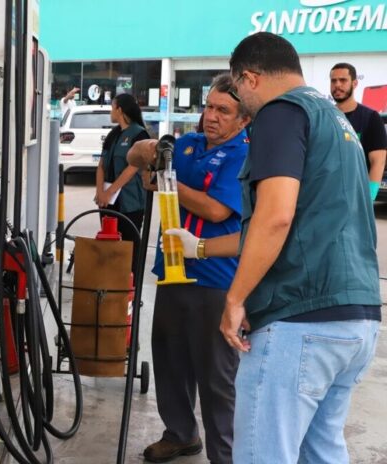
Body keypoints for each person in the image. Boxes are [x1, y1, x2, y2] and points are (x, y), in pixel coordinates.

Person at [164, 32, 381, 464]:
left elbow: (275, 216)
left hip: (300, 322)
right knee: (320, 452)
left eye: (236, 89)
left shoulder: (280, 114)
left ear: (250, 78)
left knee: (262, 454)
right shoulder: (335, 121)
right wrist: (200, 248)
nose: (239, 103)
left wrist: (236, 299)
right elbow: (291, 227)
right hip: (356, 321)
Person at [131, 74, 251, 464]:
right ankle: (180, 434)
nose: (211, 116)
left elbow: (216, 210)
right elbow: (135, 157)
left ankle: (225, 454)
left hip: (215, 280)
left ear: (244, 119)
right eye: (209, 107)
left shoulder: (242, 155)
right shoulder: (188, 145)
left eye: (223, 111)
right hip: (171, 270)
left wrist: (167, 179)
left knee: (216, 377)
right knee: (169, 362)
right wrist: (152, 150)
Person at [95, 93, 149, 270]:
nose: (111, 111)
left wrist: (109, 192)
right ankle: (111, 282)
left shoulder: (139, 134)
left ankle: (131, 284)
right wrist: (100, 193)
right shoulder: (113, 134)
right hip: (108, 202)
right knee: (109, 246)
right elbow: (101, 165)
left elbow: (132, 168)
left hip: (130, 202)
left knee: (129, 248)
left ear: (120, 110)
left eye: (112, 107)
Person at [330, 62, 387, 201]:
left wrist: (368, 199)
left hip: (355, 199)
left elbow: (378, 162)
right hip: (327, 198)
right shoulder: (325, 116)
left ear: (354, 83)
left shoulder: (370, 118)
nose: (337, 85)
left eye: (343, 80)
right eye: (333, 81)